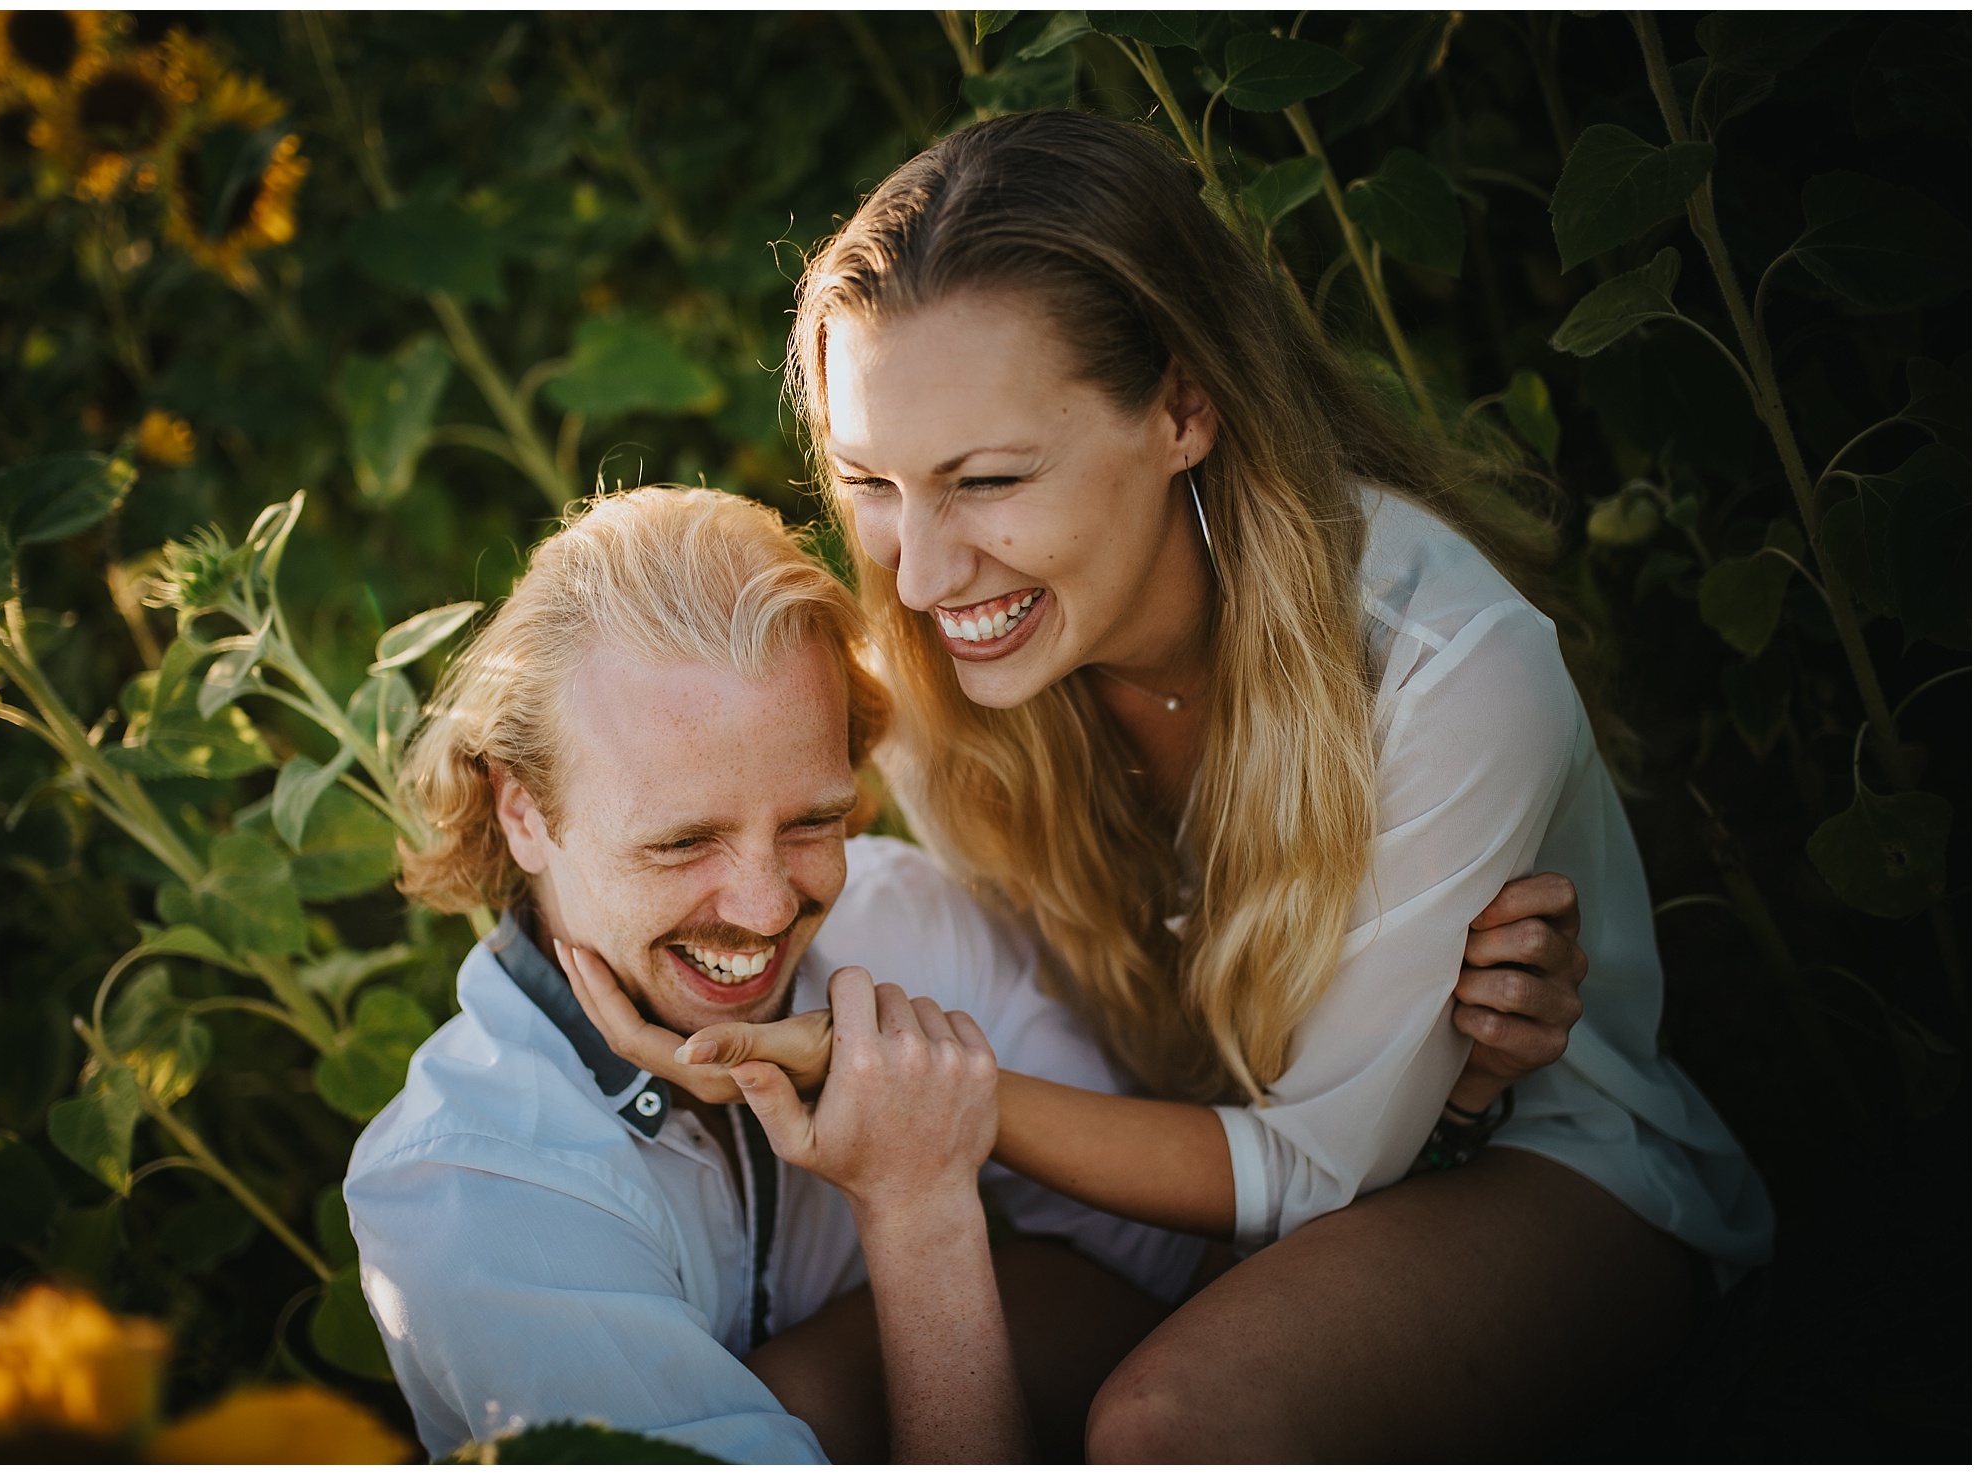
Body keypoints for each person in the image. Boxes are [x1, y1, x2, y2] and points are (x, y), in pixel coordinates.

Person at [625, 110, 1775, 1459]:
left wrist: (947, 1101)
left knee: (1174, 1425)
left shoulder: (1449, 669)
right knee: (786, 1409)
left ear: (1183, 406)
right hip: (1169, 1202)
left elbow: (1321, 1167)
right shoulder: (928, 686)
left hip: (1533, 1161)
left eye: (987, 479)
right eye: (873, 481)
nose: (924, 575)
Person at [345, 486, 1591, 1462]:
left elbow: (1195, 1295)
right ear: (520, 811)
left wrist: (1450, 1087)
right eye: (681, 840)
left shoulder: (905, 922)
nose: (769, 904)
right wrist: (921, 1210)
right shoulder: (473, 1193)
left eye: (813, 818)